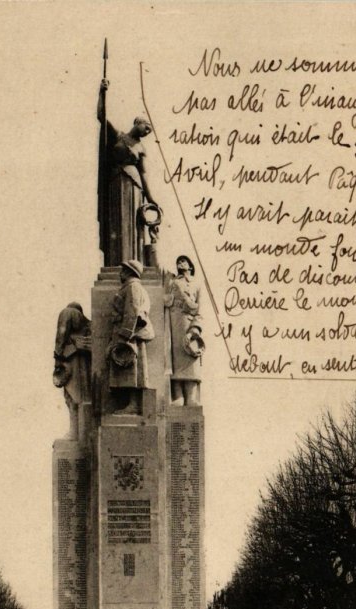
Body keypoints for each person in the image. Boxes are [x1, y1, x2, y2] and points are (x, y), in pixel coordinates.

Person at [98, 79, 158, 266]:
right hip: (116, 182)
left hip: (135, 186)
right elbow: (101, 115)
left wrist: (151, 198)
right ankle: (117, 264)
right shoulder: (119, 136)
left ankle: (134, 265)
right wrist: (102, 92)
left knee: (133, 226)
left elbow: (144, 174)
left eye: (149, 131)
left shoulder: (141, 148)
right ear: (137, 122)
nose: (147, 131)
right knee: (117, 222)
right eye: (146, 127)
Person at [108, 259, 154, 414]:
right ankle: (130, 404)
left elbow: (132, 311)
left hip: (130, 335)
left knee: (131, 367)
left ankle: (133, 405)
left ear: (129, 272)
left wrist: (125, 335)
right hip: (127, 333)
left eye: (123, 270)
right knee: (127, 368)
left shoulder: (133, 287)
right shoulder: (129, 287)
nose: (120, 273)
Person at [165, 255, 204, 406]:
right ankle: (178, 396)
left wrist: (193, 330)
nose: (180, 263)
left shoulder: (197, 284)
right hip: (173, 326)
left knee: (190, 358)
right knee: (174, 361)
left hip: (189, 326)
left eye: (183, 261)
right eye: (178, 261)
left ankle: (191, 396)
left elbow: (201, 310)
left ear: (190, 266)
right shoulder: (172, 281)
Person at [53, 303, 92, 439]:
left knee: (71, 397)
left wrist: (57, 357)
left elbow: (61, 333)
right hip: (82, 362)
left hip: (70, 359)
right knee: (80, 397)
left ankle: (74, 432)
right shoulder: (87, 324)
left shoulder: (67, 312)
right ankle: (79, 433)